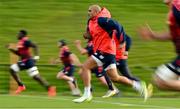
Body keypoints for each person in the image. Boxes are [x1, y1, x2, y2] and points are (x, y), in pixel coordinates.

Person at [73, 5, 149, 103]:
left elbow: (118, 25)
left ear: (96, 12)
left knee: (85, 67)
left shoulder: (102, 20)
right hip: (107, 52)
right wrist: (86, 35)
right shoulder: (90, 21)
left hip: (105, 50)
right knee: (115, 78)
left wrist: (122, 41)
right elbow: (91, 34)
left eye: (90, 11)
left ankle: (87, 94)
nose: (88, 12)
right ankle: (138, 86)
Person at [138, 0, 180, 91]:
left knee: (161, 79)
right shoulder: (173, 10)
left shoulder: (177, 6)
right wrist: (153, 35)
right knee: (160, 79)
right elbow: (172, 35)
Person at [6, 30, 56, 96]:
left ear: (23, 35)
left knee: (36, 77)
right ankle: (21, 86)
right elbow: (18, 53)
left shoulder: (26, 41)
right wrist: (10, 49)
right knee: (12, 69)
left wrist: (37, 56)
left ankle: (50, 88)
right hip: (23, 62)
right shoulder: (20, 43)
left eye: (19, 34)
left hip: (29, 61)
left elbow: (35, 45)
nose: (17, 35)